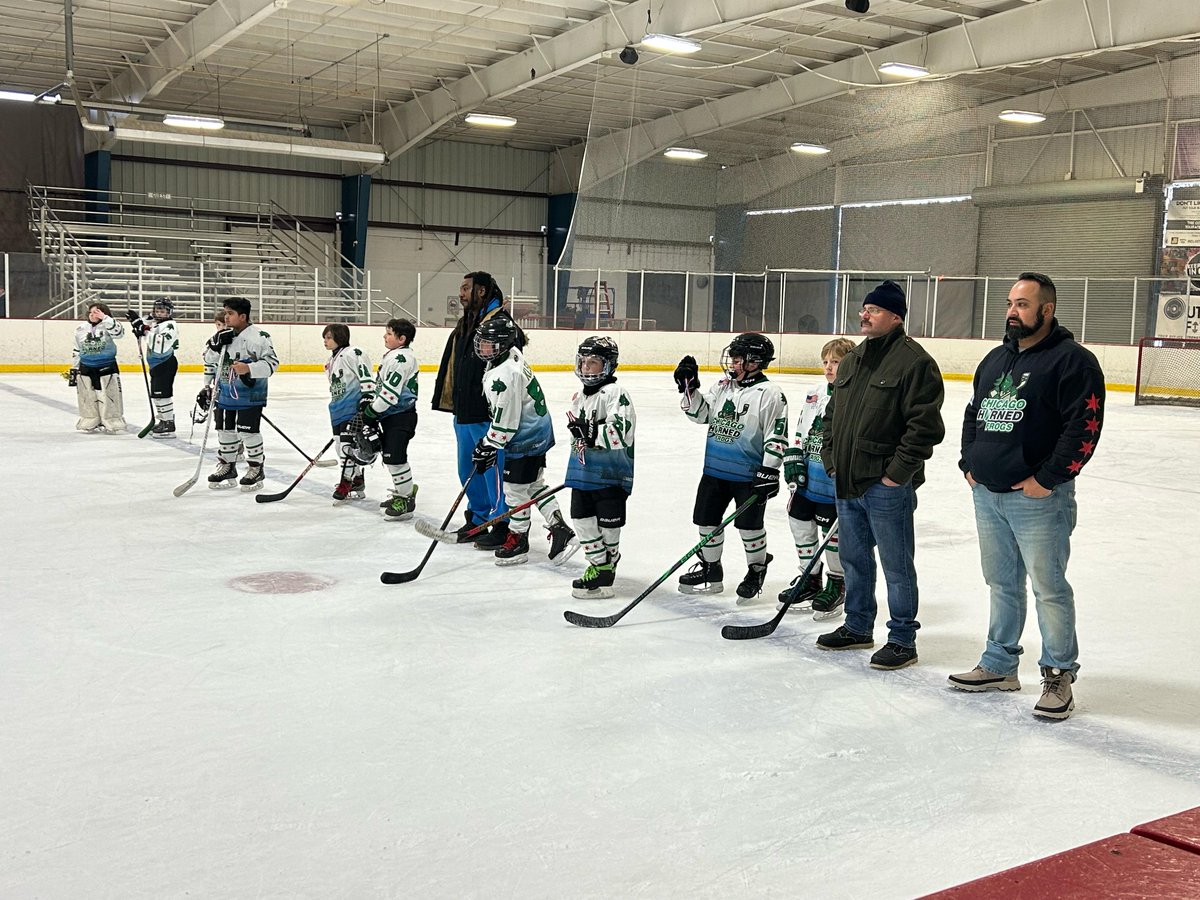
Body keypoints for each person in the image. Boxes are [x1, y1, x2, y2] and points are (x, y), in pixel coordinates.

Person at [949, 272, 1105, 720]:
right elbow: (973, 414)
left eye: (1022, 304)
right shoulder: (996, 359)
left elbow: (1084, 429)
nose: (1012, 311)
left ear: (1046, 310)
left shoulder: (1073, 362)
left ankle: (1058, 674)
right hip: (988, 493)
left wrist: (1049, 479)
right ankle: (999, 664)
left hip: (1039, 499)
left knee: (1049, 588)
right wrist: (969, 464)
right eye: (1010, 303)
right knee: (1001, 583)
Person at [816, 281, 945, 670]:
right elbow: (832, 414)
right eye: (864, 308)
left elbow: (924, 428)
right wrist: (831, 457)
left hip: (885, 485)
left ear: (895, 316)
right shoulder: (853, 359)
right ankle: (857, 626)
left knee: (896, 565)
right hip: (847, 480)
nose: (864, 315)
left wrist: (896, 475)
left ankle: (903, 639)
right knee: (854, 559)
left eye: (873, 310)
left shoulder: (914, 362)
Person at [673, 333, 788, 602]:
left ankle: (756, 570)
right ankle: (711, 569)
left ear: (755, 361)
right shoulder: (723, 386)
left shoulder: (771, 394)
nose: (733, 364)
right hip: (714, 470)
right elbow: (700, 415)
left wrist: (770, 469)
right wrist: (689, 388)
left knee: (749, 527)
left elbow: (777, 434)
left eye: (738, 359)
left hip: (749, 475)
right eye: (733, 358)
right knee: (705, 521)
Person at [471, 316, 576, 566]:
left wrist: (487, 444)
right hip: (538, 433)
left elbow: (506, 424)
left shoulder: (505, 375)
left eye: (489, 344)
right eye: (482, 342)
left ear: (503, 344)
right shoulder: (510, 355)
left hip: (525, 438)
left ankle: (518, 541)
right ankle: (560, 528)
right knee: (533, 486)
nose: (483, 348)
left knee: (515, 491)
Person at [432, 272, 514, 549]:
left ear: (481, 291)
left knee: (493, 472)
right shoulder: (467, 323)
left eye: (466, 288)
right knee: (467, 469)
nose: (461, 293)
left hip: (487, 415)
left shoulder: (501, 324)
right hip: (464, 412)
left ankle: (503, 522)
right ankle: (478, 518)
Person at [779, 337, 856, 618]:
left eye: (835, 361)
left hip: (832, 482)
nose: (829, 367)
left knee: (832, 535)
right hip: (808, 480)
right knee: (800, 525)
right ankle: (810, 578)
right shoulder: (814, 393)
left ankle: (838, 582)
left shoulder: (854, 396)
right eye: (826, 362)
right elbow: (800, 432)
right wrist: (793, 461)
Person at [566, 336, 635, 599]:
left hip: (611, 475)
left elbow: (622, 433)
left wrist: (591, 434)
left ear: (608, 365)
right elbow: (578, 436)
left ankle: (606, 568)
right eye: (583, 362)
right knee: (582, 522)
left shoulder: (616, 394)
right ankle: (600, 565)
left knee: (608, 527)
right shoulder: (579, 396)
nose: (585, 368)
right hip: (582, 474)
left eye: (593, 363)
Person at [203, 297, 279, 492]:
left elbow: (272, 364)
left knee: (248, 431)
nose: (226, 317)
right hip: (225, 392)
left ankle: (256, 468)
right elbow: (208, 359)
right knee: (224, 430)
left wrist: (249, 368)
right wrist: (214, 345)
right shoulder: (222, 335)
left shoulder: (259, 337)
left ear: (243, 316)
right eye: (225, 313)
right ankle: (228, 466)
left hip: (251, 394)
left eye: (230, 314)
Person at [360, 318, 420, 521]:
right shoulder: (395, 356)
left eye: (389, 333)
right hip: (393, 416)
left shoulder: (400, 359)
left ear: (401, 338)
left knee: (395, 458)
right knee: (391, 458)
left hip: (400, 417)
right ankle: (402, 492)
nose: (384, 336)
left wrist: (371, 412)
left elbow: (390, 396)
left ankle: (405, 500)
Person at [322, 323, 374, 504]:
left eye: (329, 337)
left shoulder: (353, 352)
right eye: (325, 338)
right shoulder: (331, 360)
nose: (325, 341)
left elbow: (365, 375)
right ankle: (357, 479)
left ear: (340, 337)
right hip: (337, 408)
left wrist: (367, 397)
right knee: (340, 446)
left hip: (352, 408)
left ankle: (346, 482)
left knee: (346, 448)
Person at [127, 297, 180, 438]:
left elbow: (161, 344)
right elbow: (145, 325)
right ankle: (163, 420)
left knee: (163, 395)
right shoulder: (156, 323)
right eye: (157, 310)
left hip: (165, 363)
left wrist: (143, 330)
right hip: (157, 364)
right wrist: (137, 323)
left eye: (162, 311)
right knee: (157, 396)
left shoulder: (170, 325)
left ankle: (169, 424)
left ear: (169, 312)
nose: (159, 313)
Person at [72, 302, 126, 433]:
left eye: (96, 312)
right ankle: (90, 419)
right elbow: (76, 349)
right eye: (91, 312)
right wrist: (74, 369)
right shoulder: (81, 329)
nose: (92, 314)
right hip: (86, 367)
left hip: (107, 366)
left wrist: (106, 318)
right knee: (87, 397)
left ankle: (112, 421)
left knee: (110, 395)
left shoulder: (109, 325)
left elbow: (119, 333)